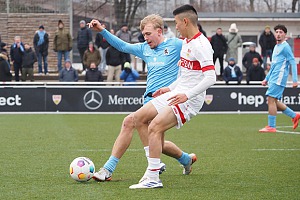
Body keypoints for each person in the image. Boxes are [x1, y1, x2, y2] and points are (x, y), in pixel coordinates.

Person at [88, 14, 196, 183]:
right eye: (143, 35)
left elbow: (195, 47)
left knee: (129, 121)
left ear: (159, 32)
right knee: (159, 144)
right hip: (149, 101)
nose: (145, 38)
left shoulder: (176, 45)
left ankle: (108, 169)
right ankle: (186, 160)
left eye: (148, 34)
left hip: (166, 100)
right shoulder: (145, 48)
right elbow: (123, 46)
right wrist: (102, 31)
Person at [128, 4, 216, 189]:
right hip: (177, 92)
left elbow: (211, 77)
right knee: (138, 118)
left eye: (176, 23)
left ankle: (153, 178)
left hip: (190, 99)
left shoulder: (202, 45)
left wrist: (187, 95)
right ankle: (182, 161)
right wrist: (168, 88)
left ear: (185, 21)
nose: (175, 27)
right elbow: (185, 76)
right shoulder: (186, 43)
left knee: (154, 127)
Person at [259, 24, 299, 133]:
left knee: (270, 100)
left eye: (281, 32)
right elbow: (273, 65)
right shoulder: (276, 47)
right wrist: (266, 78)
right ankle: (294, 115)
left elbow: (293, 62)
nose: (278, 34)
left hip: (279, 78)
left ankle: (271, 126)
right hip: (273, 78)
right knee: (274, 101)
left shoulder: (285, 47)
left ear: (285, 35)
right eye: (277, 32)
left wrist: (295, 80)